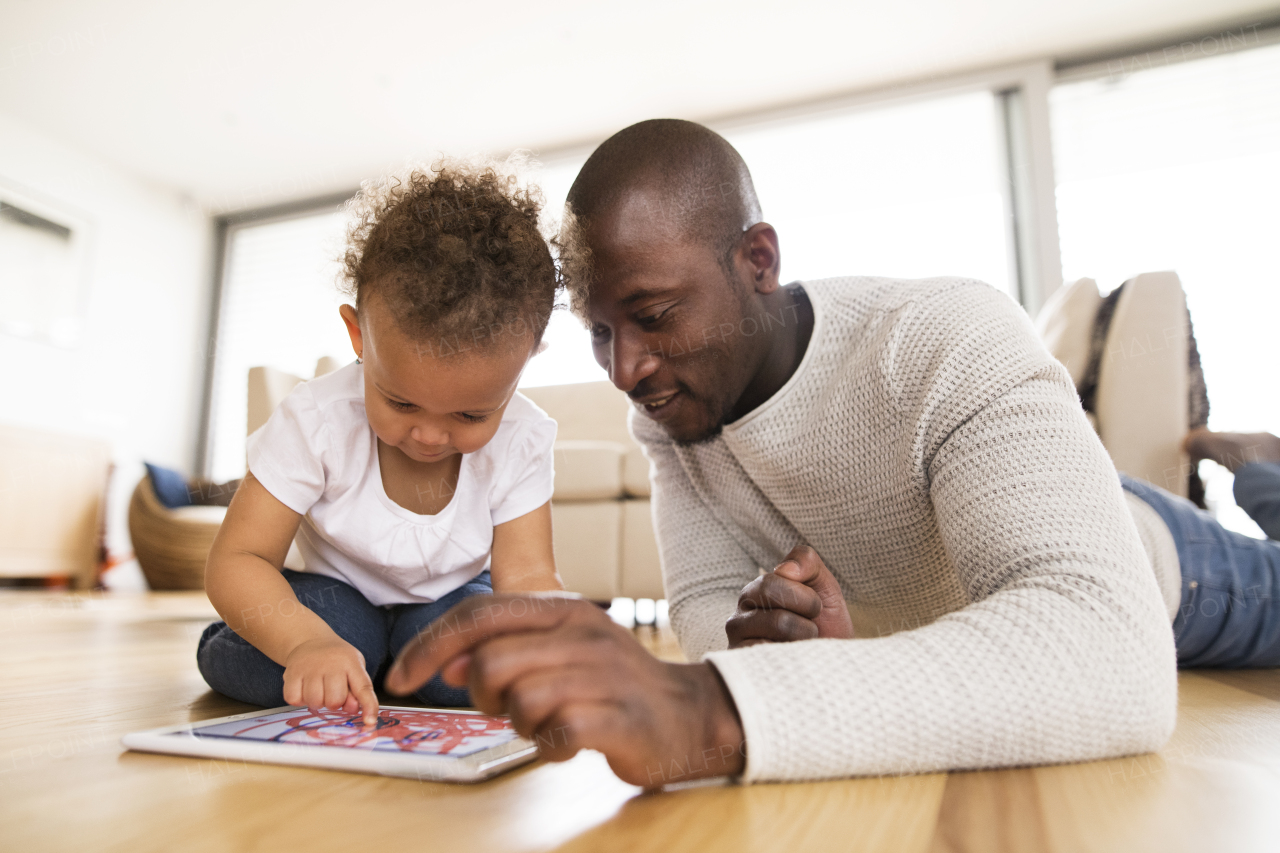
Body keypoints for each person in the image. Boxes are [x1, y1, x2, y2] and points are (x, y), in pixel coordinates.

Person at [386, 120, 1279, 787]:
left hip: (1167, 566)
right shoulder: (670, 413)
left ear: (758, 260)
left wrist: (713, 707)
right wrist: (791, 649)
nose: (625, 370)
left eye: (654, 317)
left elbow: (1113, 656)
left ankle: (1263, 473)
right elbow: (703, 608)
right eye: (601, 334)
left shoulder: (941, 338)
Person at [198, 161, 564, 725]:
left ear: (527, 360)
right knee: (319, 648)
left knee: (462, 661)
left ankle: (387, 667)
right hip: (332, 599)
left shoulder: (524, 438)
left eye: (470, 413)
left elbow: (529, 579)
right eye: (401, 403)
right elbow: (238, 559)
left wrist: (550, 646)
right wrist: (303, 643)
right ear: (358, 335)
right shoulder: (316, 418)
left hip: (449, 604)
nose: (429, 434)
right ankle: (342, 655)